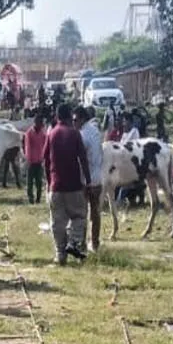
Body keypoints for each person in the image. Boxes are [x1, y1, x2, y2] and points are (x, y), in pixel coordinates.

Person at [47, 105, 89, 264]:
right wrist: (88, 181)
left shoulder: (51, 134)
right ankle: (73, 242)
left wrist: (49, 181)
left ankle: (60, 255)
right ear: (68, 117)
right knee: (79, 216)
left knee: (57, 222)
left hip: (55, 186)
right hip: (73, 185)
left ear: (57, 117)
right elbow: (83, 159)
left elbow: (46, 160)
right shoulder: (74, 133)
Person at [79, 106, 105, 252]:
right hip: (97, 178)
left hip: (85, 179)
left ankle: (82, 243)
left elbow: (81, 158)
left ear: (82, 119)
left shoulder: (82, 134)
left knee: (82, 213)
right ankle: (95, 243)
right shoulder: (96, 132)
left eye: (76, 119)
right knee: (95, 213)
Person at [23, 110, 50, 203]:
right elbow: (28, 147)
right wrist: (29, 160)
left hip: (39, 161)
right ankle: (31, 198)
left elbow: (45, 144)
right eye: (40, 122)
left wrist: (43, 158)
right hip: (31, 162)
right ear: (36, 122)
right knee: (29, 182)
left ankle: (38, 198)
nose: (42, 124)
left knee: (39, 182)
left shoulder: (43, 133)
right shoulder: (29, 133)